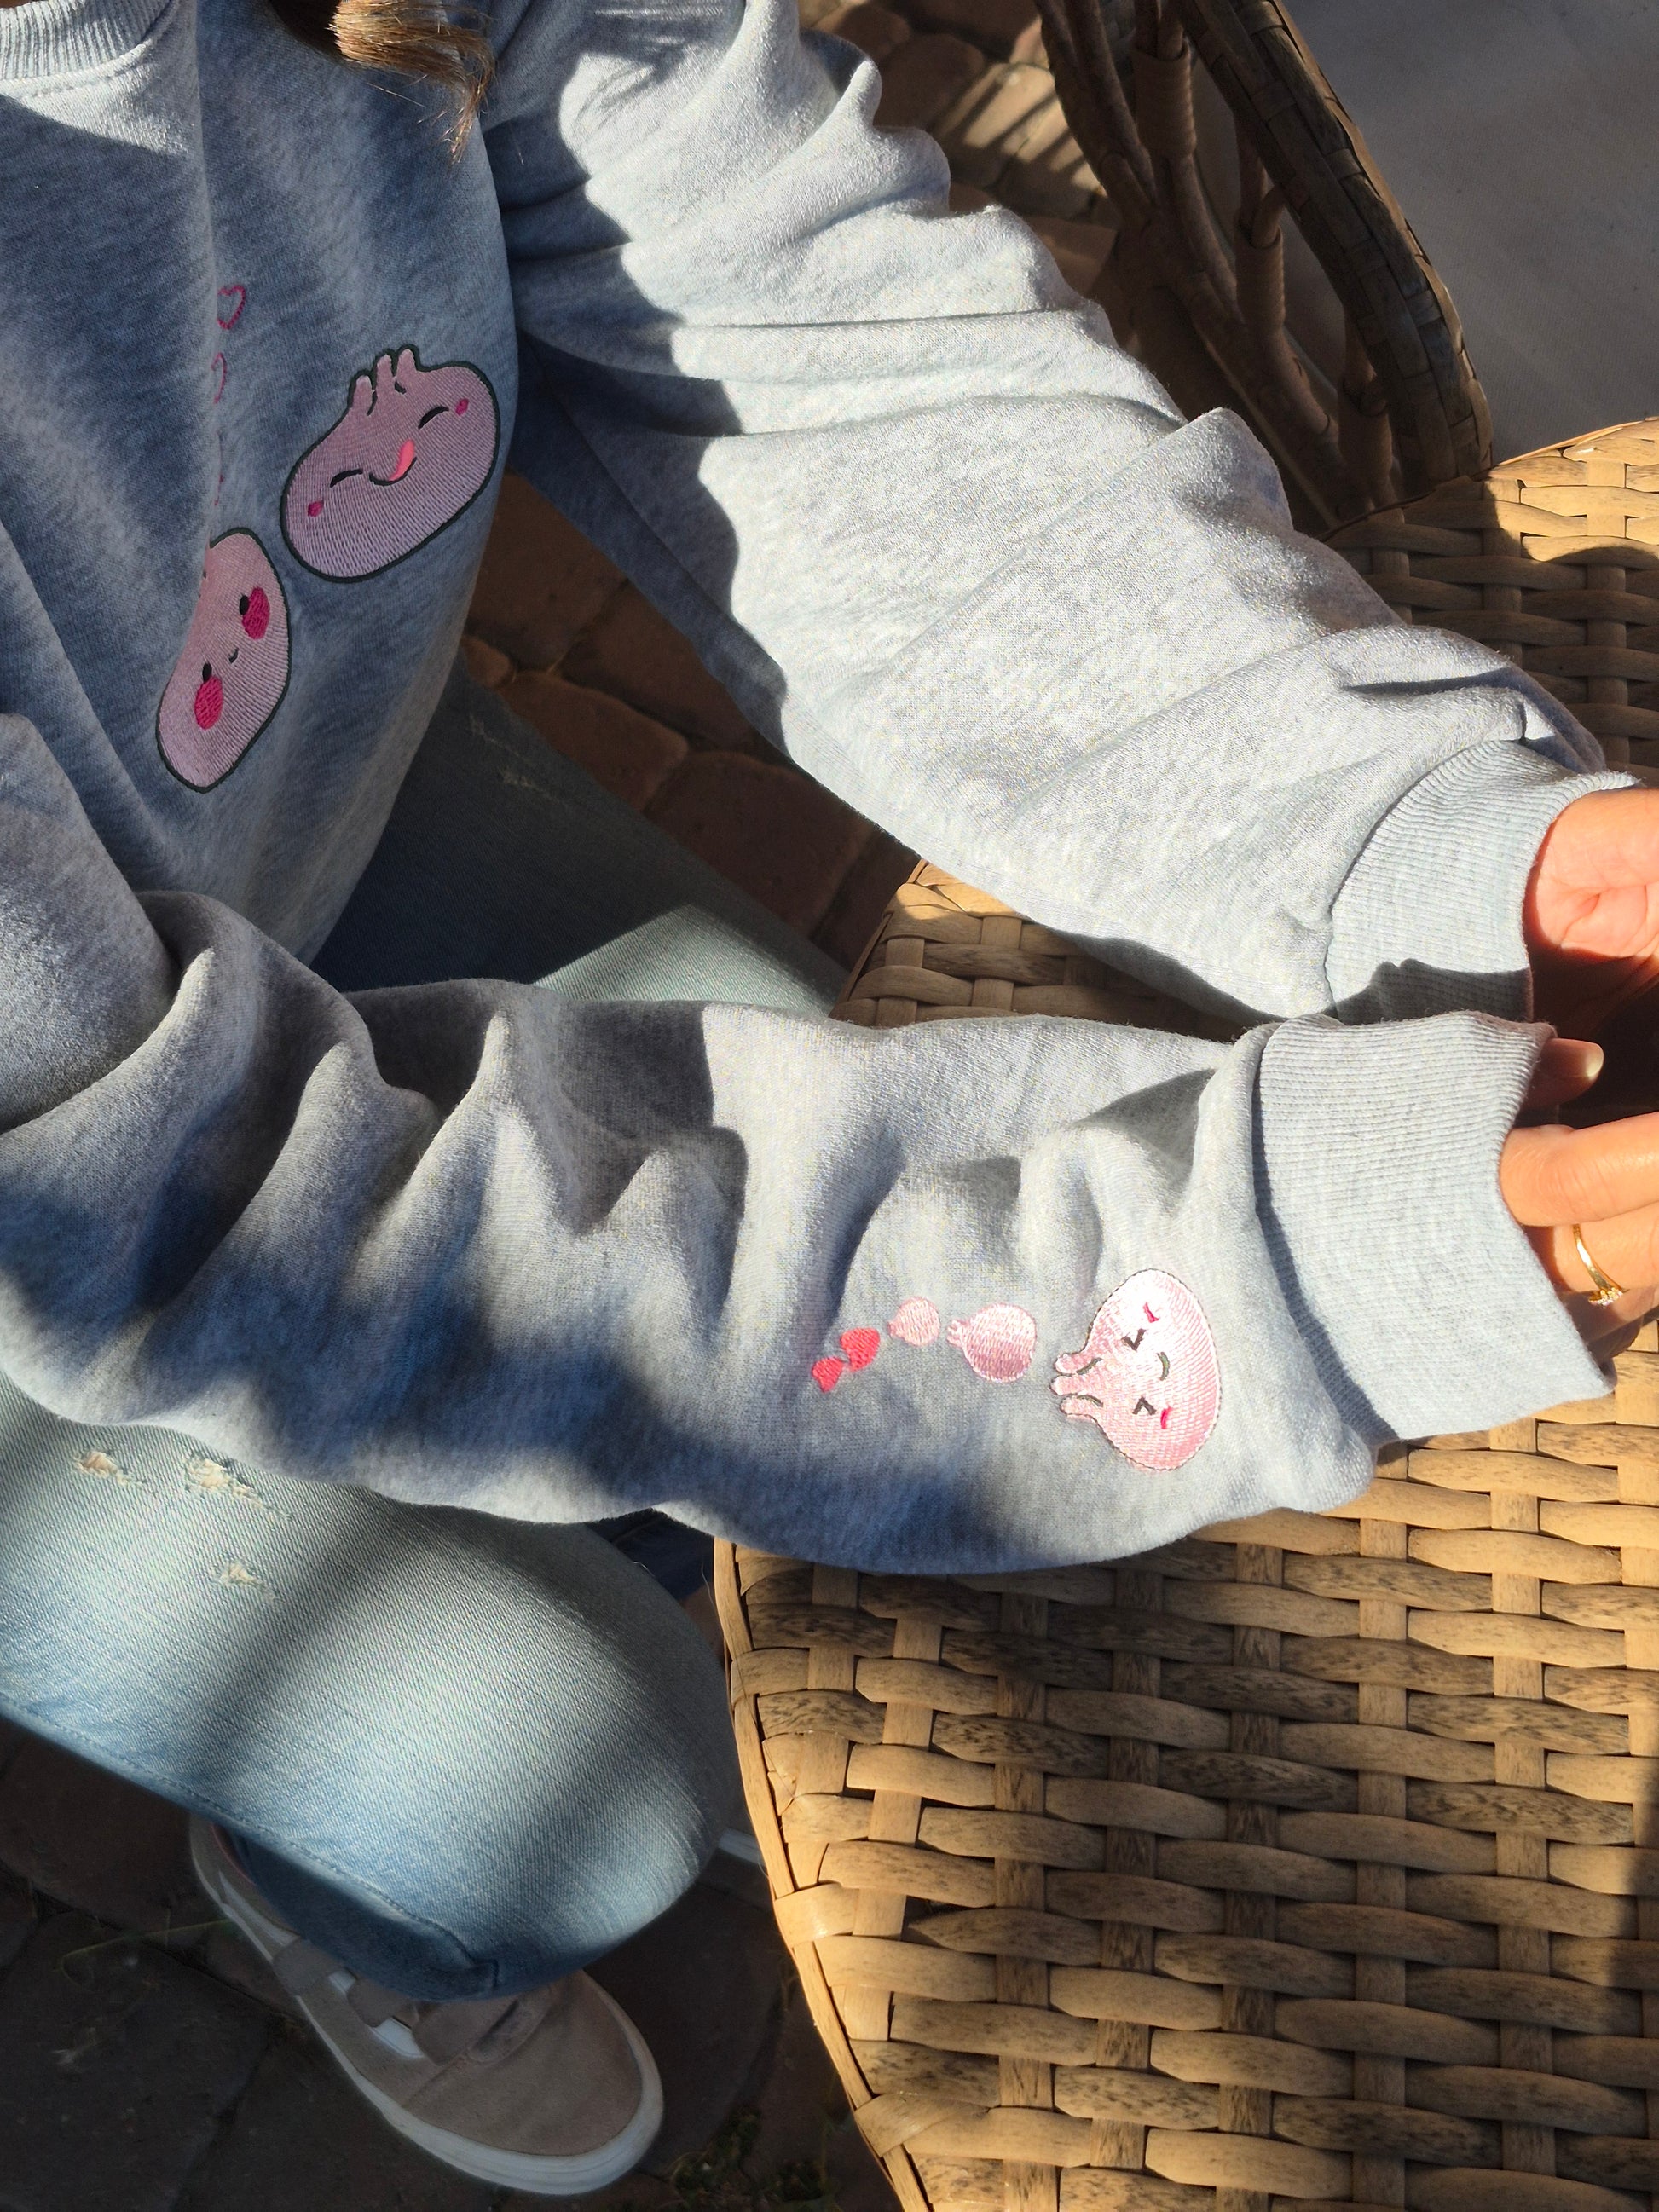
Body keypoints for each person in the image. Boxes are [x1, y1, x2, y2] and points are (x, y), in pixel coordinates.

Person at [6, 0, 1659, 2188]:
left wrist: (1440, 845)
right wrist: (1299, 1254)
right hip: (72, 1169)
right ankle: (357, 1921)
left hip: (270, 780)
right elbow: (174, 1202)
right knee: (564, 1796)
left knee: (874, 1279)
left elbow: (805, 336)